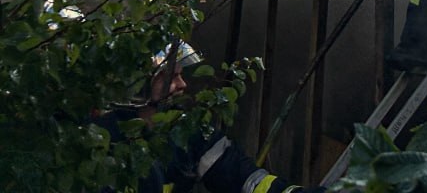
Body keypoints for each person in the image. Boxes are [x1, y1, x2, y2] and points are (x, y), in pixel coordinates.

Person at [97, 41, 324, 193]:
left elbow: (242, 176)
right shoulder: (103, 137)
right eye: (170, 77)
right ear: (140, 84)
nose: (182, 84)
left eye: (181, 75)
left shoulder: (188, 132)